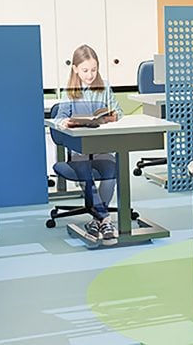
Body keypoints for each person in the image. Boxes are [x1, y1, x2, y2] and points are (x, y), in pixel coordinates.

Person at [56, 44, 123, 245]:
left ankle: (96, 221)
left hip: (102, 148)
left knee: (111, 171)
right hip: (80, 151)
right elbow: (59, 118)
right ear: (76, 69)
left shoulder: (104, 87)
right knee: (85, 173)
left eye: (94, 70)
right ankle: (105, 220)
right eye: (85, 70)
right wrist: (66, 122)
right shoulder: (70, 91)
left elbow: (118, 112)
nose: (90, 74)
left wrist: (111, 117)